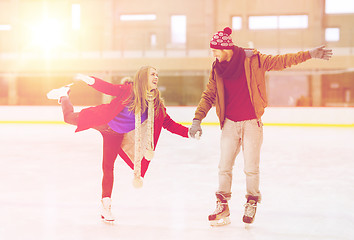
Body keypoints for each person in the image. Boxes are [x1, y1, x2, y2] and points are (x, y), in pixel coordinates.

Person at [188, 27, 332, 226]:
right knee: (224, 166)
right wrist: (197, 119)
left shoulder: (253, 60)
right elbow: (209, 94)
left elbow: (282, 61)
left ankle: (251, 202)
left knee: (251, 168)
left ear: (225, 48)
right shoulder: (217, 68)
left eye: (215, 50)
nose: (213, 54)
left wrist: (309, 54)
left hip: (251, 123)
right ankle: (223, 205)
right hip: (230, 123)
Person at [47, 66, 189, 222]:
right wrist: (88, 79)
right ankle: (63, 95)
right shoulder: (129, 90)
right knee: (68, 118)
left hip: (114, 135)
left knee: (108, 167)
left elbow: (170, 124)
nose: (156, 77)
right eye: (152, 74)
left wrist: (189, 132)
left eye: (157, 74)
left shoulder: (156, 106)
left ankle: (105, 206)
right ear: (143, 77)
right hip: (102, 119)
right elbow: (108, 88)